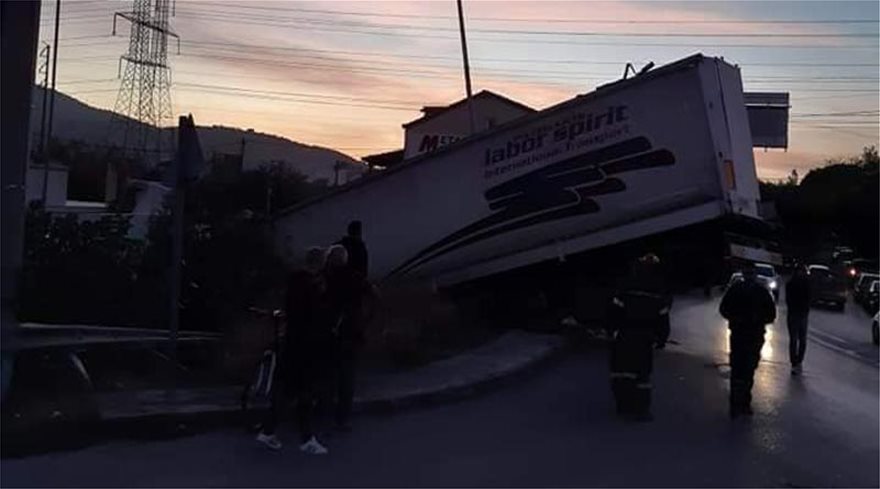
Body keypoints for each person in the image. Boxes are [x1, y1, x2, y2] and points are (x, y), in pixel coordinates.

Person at [256, 247, 332, 454]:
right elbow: (315, 314)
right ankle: (306, 438)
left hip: (292, 342)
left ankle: (271, 430)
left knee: (287, 390)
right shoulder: (312, 286)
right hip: (306, 345)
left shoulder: (295, 281)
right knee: (304, 391)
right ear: (321, 263)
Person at [607, 253, 671, 422]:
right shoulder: (658, 291)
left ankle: (623, 404)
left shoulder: (627, 286)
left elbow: (614, 311)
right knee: (642, 373)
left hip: (625, 335)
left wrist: (611, 330)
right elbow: (663, 318)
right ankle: (642, 409)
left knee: (622, 371)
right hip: (645, 337)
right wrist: (661, 339)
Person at [719, 264, 777, 418]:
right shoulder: (739, 290)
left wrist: (755, 319)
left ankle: (741, 402)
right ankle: (739, 403)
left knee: (745, 369)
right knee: (741, 369)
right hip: (743, 334)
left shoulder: (759, 292)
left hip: (751, 335)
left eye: (751, 273)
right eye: (748, 273)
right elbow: (724, 309)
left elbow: (771, 314)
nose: (749, 276)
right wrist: (737, 319)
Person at [324, 244, 362, 431]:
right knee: (346, 378)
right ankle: (342, 418)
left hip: (327, 333)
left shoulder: (324, 278)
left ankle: (325, 413)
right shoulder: (353, 277)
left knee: (328, 376)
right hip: (348, 334)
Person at [785, 265, 812, 375]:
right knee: (794, 339)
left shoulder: (806, 284)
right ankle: (794, 362)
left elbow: (809, 298)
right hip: (794, 314)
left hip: (801, 314)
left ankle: (798, 360)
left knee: (801, 340)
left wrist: (806, 309)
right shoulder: (791, 284)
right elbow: (788, 300)